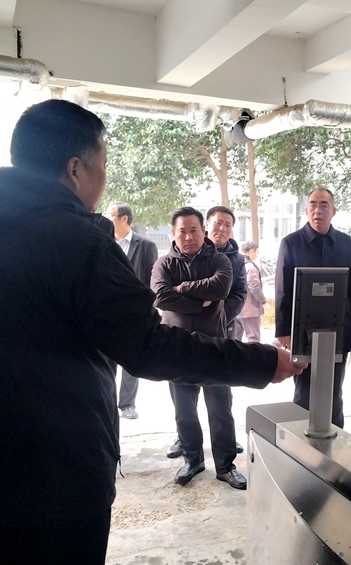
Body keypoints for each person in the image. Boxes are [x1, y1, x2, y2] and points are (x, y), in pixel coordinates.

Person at [0, 99, 302, 565]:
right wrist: (259, 361)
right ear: (75, 169)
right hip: (54, 485)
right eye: (102, 165)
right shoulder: (78, 243)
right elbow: (147, 346)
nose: (103, 179)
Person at [153, 206, 246, 489]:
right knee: (184, 410)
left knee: (220, 409)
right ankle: (192, 460)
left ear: (203, 231)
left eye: (194, 230)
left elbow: (221, 288)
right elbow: (160, 295)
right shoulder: (163, 264)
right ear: (173, 233)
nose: (189, 236)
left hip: (214, 344)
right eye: (182, 231)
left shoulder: (220, 260)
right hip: (177, 346)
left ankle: (226, 466)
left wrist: (181, 289)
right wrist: (200, 301)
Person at [275, 188, 351, 428]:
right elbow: (283, 289)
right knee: (304, 389)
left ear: (333, 210)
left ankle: (335, 437)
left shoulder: (346, 243)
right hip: (302, 328)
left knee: (334, 389)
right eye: (313, 204)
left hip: (338, 327)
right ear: (306, 210)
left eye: (324, 205)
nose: (318, 210)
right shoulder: (291, 243)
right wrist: (284, 330)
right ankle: (301, 439)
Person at [103, 200, 159, 420]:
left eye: (110, 215)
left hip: (134, 312)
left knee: (130, 359)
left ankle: (127, 404)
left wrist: (148, 310)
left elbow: (151, 279)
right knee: (106, 360)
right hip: (106, 310)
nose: (106, 218)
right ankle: (107, 402)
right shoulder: (103, 241)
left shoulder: (145, 245)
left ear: (123, 218)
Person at [238, 240, 266, 343]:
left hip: (237, 308)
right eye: (256, 252)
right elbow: (254, 286)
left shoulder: (238, 264)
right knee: (253, 338)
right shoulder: (251, 267)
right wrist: (263, 301)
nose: (257, 255)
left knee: (235, 339)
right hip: (250, 309)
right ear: (251, 251)